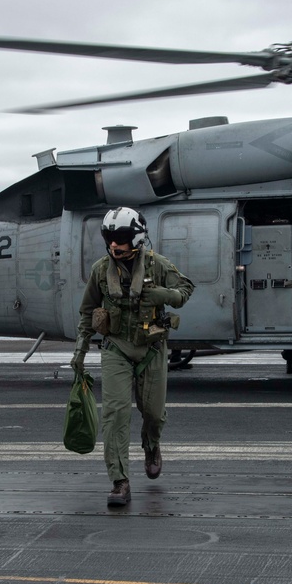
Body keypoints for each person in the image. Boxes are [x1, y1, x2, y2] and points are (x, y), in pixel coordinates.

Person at [70, 207, 194, 507]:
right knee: (115, 416)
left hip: (151, 350)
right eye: (110, 238)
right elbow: (88, 312)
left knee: (152, 413)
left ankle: (151, 444)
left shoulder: (157, 265)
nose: (114, 244)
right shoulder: (101, 270)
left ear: (136, 237)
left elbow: (185, 288)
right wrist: (80, 350)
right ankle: (120, 481)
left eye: (121, 238)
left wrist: (164, 296)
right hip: (116, 348)